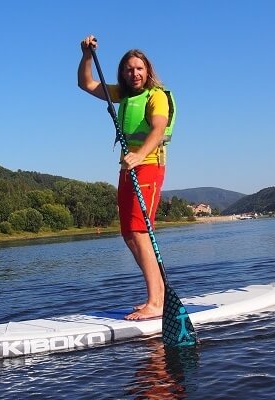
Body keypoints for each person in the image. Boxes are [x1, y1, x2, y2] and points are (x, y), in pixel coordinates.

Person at [78, 35, 175, 321]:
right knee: (128, 233)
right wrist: (86, 55)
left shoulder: (156, 96)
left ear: (148, 71)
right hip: (128, 168)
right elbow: (86, 84)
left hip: (148, 165)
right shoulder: (123, 95)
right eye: (129, 69)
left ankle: (156, 302)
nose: (134, 73)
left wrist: (139, 155)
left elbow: (158, 129)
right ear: (123, 72)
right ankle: (158, 296)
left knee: (139, 230)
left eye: (139, 69)